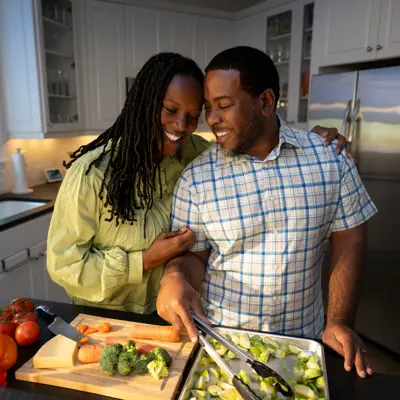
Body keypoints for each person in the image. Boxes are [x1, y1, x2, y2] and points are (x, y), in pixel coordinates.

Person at [47, 52, 347, 315]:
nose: (181, 126)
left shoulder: (194, 154)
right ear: (143, 104)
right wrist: (142, 261)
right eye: (170, 110)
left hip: (175, 313)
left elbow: (251, 143)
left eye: (192, 116)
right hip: (106, 319)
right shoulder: (92, 174)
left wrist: (310, 140)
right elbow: (65, 265)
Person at [157, 46, 377, 379]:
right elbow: (194, 258)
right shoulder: (197, 178)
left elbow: (349, 239)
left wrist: (339, 321)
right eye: (208, 108)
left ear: (265, 102)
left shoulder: (329, 158)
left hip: (303, 345)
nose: (211, 120)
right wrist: (174, 276)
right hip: (223, 348)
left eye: (224, 106)